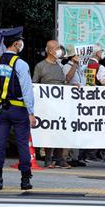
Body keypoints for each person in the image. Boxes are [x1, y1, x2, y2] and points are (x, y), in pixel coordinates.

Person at [0, 27, 36, 190]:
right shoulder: (21, 64)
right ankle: (25, 179)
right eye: (20, 41)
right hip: (19, 109)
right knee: (22, 143)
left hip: (1, 109)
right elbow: (26, 89)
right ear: (16, 43)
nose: (21, 44)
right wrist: (31, 112)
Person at [32, 40, 71, 169]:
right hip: (46, 106)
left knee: (61, 130)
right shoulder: (40, 66)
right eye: (57, 48)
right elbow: (34, 85)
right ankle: (48, 159)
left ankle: (59, 159)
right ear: (49, 50)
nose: (59, 50)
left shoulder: (59, 66)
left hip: (60, 105)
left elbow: (63, 83)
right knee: (49, 131)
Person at [62, 45, 87, 167]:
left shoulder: (80, 68)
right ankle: (68, 156)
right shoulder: (67, 67)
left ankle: (75, 156)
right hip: (71, 102)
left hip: (80, 102)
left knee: (78, 129)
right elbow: (67, 78)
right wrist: (75, 65)